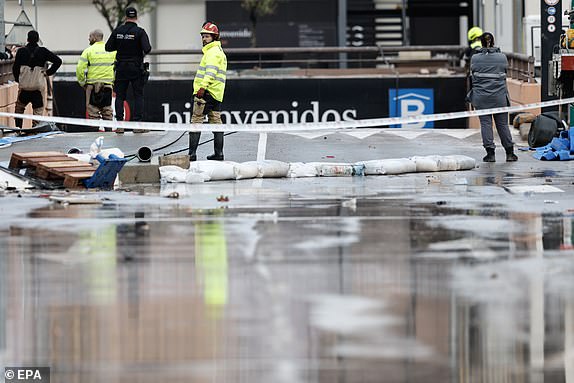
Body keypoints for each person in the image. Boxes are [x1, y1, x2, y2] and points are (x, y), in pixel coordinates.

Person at [468, 32, 517, 163]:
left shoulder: (475, 58)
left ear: (481, 42)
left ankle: (490, 154)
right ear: (493, 41)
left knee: (486, 124)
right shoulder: (502, 57)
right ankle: (510, 153)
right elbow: (504, 71)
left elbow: (472, 74)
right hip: (499, 97)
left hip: (481, 97)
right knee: (502, 125)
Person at [105, 6, 151, 133]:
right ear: (136, 17)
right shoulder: (140, 32)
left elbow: (108, 47)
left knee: (120, 96)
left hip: (121, 68)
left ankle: (120, 125)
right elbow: (147, 48)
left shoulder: (117, 31)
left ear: (125, 17)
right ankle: (137, 126)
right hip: (136, 68)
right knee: (138, 96)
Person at [188, 22, 228, 161]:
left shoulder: (212, 52)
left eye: (207, 36)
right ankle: (219, 154)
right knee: (216, 123)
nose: (204, 39)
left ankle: (191, 154)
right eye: (203, 36)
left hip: (205, 93)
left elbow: (210, 72)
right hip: (216, 94)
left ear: (214, 37)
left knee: (196, 121)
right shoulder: (219, 52)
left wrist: (202, 87)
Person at [12, 30, 62, 130]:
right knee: (38, 111)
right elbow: (58, 61)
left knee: (19, 108)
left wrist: (19, 80)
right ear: (38, 40)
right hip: (38, 88)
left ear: (27, 39)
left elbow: (15, 68)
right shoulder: (43, 51)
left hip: (24, 88)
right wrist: (48, 72)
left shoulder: (21, 51)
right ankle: (35, 129)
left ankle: (18, 129)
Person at [76, 29, 117, 124]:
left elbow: (80, 68)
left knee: (92, 113)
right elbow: (118, 65)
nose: (88, 39)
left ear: (94, 38)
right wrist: (113, 80)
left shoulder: (88, 51)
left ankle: (94, 134)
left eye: (90, 37)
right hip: (107, 85)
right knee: (107, 112)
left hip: (92, 86)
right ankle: (109, 133)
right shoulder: (111, 50)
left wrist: (82, 83)